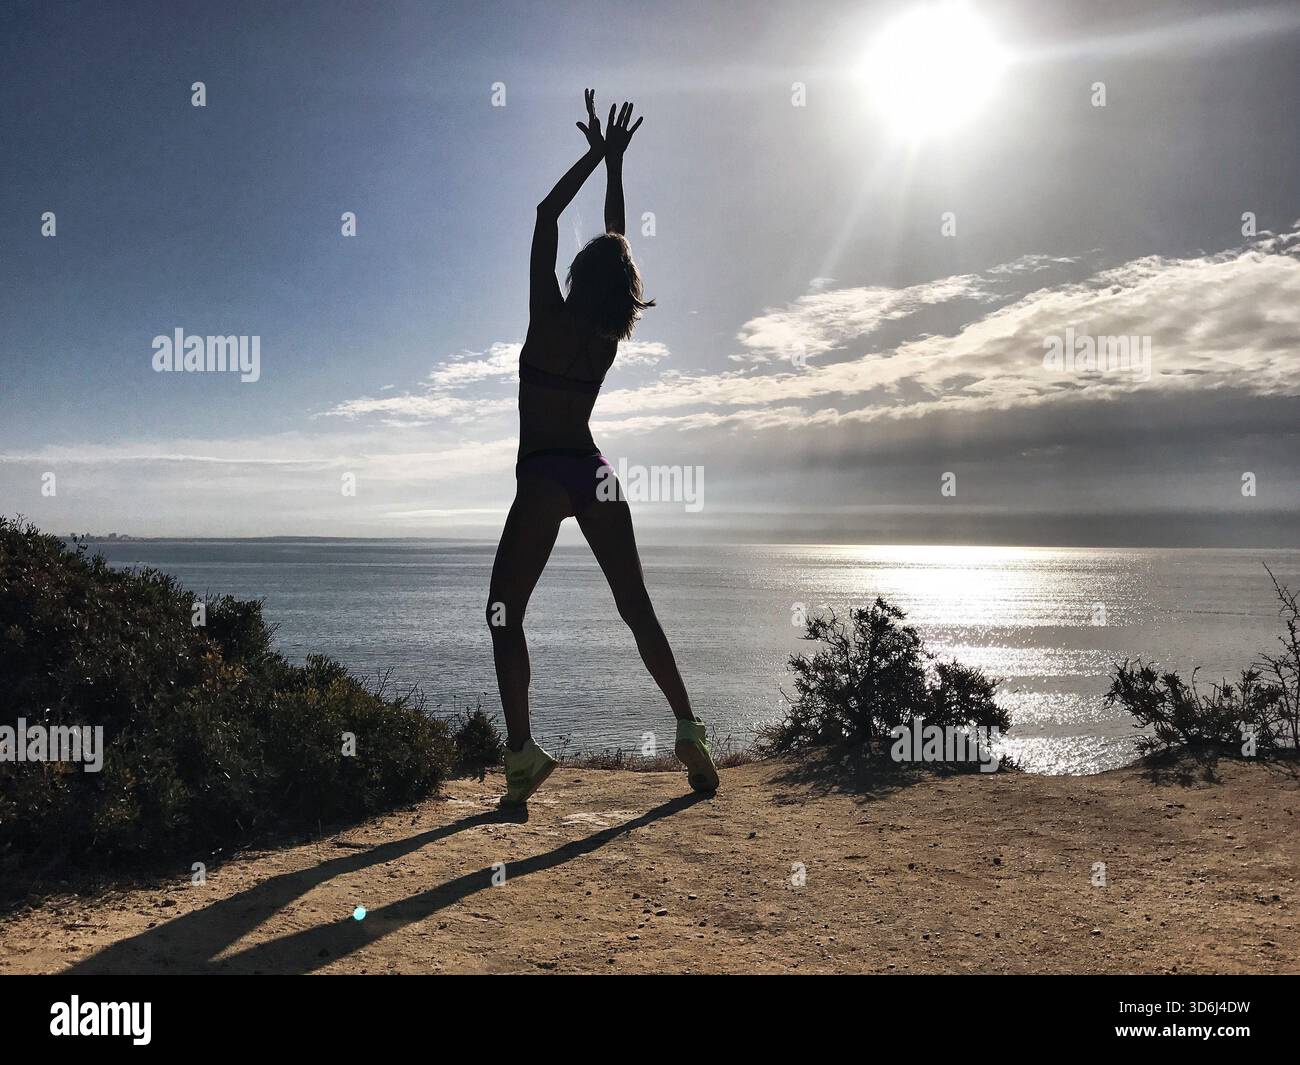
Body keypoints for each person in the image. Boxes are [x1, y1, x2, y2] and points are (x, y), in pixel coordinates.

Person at [486, 90, 718, 807]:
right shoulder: (606, 334)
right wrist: (618, 164)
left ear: (575, 276)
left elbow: (545, 215)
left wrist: (593, 153)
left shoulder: (547, 316)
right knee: (637, 606)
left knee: (503, 610)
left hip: (545, 474)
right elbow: (619, 241)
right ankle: (690, 730)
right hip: (595, 471)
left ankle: (522, 756)